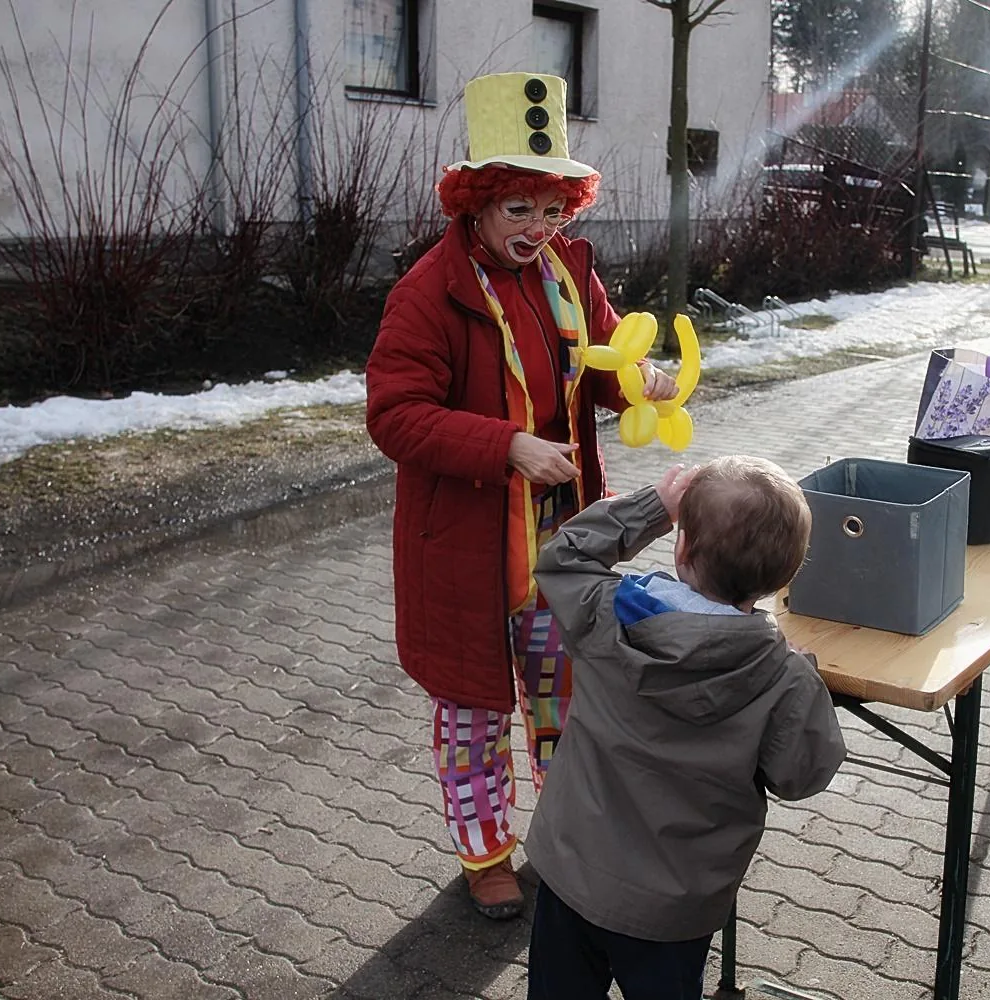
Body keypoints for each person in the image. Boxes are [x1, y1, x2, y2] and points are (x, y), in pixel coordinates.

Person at [365, 71, 677, 920]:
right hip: (465, 543)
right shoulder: (428, 292)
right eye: (519, 211)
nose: (539, 230)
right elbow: (395, 416)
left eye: (553, 210)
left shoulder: (569, 270)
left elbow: (601, 362)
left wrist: (641, 382)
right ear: (478, 203)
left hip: (560, 532)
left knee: (563, 692)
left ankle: (562, 830)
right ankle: (485, 855)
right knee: (471, 710)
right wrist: (504, 446)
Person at [525, 457, 848, 1000]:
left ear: (681, 548)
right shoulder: (781, 676)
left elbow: (565, 556)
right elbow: (801, 775)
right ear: (783, 578)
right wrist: (806, 679)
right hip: (673, 912)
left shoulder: (608, 613)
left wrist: (653, 506)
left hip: (571, 874)